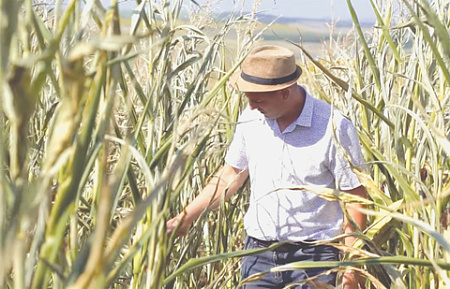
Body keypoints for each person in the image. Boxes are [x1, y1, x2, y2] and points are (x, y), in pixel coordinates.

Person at [167, 45, 367, 289]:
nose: (251, 106)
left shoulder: (334, 127)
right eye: (249, 99)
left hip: (314, 260)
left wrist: (351, 269)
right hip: (258, 258)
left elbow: (355, 198)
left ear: (285, 92)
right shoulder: (250, 119)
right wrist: (187, 216)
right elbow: (231, 175)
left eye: (258, 99)